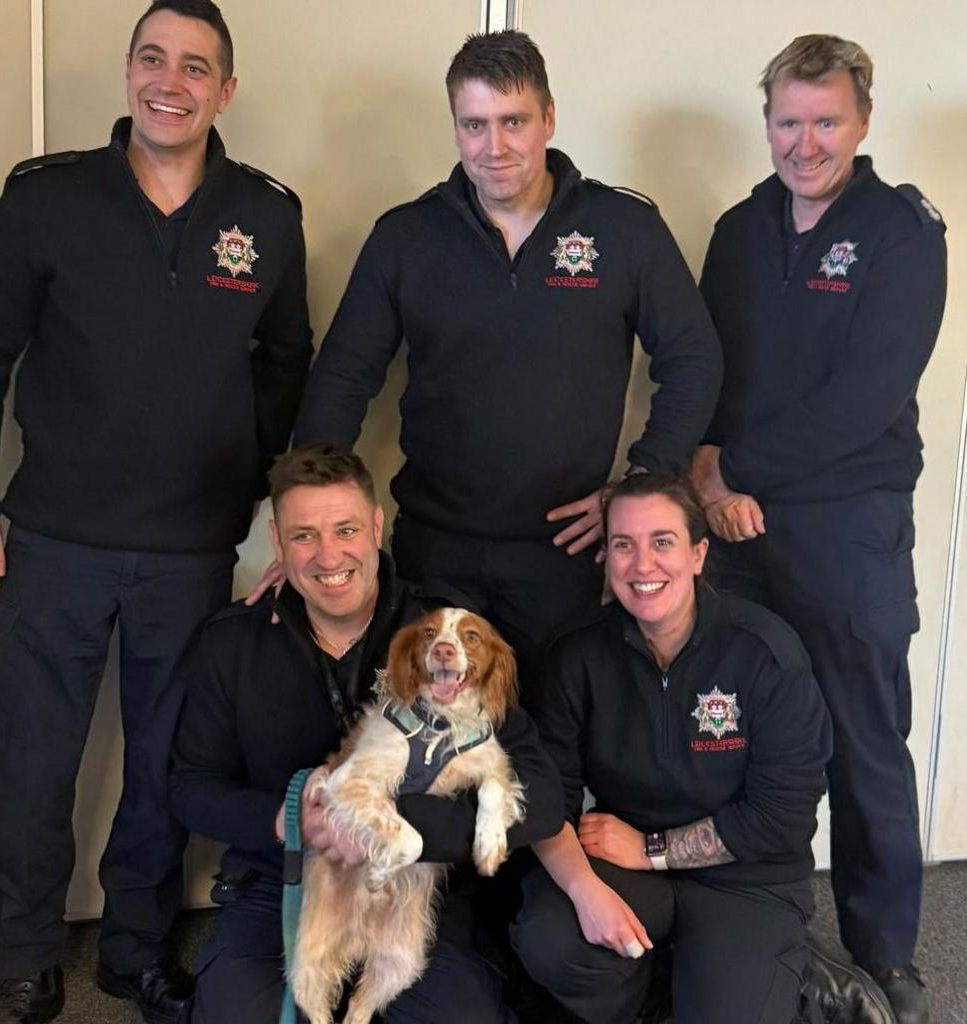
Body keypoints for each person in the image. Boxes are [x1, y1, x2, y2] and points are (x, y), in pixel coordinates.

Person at [0, 2, 312, 1021]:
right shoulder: (47, 201)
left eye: (196, 67)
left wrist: (254, 494)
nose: (170, 81)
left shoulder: (266, 216)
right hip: (52, 541)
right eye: (153, 59)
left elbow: (288, 364)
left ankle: (136, 945)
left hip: (193, 551)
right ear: (127, 72)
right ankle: (20, 951)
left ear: (224, 90)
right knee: (31, 757)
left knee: (165, 765)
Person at [289, 30, 722, 681]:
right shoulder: (406, 238)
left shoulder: (622, 230)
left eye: (513, 122)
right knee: (427, 757)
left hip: (562, 558)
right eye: (475, 125)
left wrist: (635, 487)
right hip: (432, 553)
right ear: (456, 127)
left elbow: (695, 358)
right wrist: (309, 517)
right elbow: (344, 378)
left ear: (548, 118)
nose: (494, 148)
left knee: (544, 754)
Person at [690, 34, 946, 1024]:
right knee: (739, 740)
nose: (804, 142)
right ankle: (754, 930)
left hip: (847, 528)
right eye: (787, 122)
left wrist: (735, 469)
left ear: (863, 121)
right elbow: (707, 368)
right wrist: (709, 485)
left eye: (824, 121)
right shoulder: (736, 229)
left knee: (861, 745)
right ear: (767, 123)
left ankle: (888, 956)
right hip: (739, 527)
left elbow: (866, 396)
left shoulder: (900, 232)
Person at [170, 445, 563, 1024]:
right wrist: (285, 819)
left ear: (377, 527)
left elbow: (544, 796)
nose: (329, 555)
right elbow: (190, 788)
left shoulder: (447, 635)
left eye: (347, 529)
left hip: (423, 888)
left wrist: (410, 832)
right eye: (304, 535)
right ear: (277, 544)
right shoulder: (231, 644)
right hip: (286, 880)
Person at [512, 473, 833, 1023]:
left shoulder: (765, 651)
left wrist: (651, 848)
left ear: (699, 554)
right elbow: (545, 801)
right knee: (551, 941)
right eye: (623, 545)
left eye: (662, 542)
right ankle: (651, 1000)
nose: (642, 565)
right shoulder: (576, 654)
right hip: (623, 866)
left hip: (746, 877)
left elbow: (780, 817)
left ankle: (792, 973)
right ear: (607, 556)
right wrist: (587, 891)